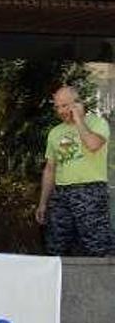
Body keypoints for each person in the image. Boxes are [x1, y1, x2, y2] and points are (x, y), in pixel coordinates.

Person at [35, 85, 111, 256]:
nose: (60, 111)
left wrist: (78, 120)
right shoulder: (55, 133)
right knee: (56, 246)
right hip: (62, 194)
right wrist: (43, 203)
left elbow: (93, 144)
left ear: (77, 104)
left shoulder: (97, 123)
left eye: (65, 105)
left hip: (90, 191)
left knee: (98, 245)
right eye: (57, 107)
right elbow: (50, 169)